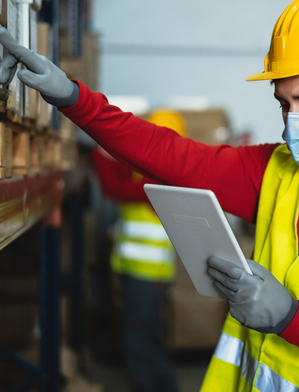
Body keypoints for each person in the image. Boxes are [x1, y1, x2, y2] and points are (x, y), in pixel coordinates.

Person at [0, 0, 299, 392]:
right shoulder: (277, 171)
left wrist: (291, 319)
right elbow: (172, 156)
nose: (294, 120)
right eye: (285, 103)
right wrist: (74, 99)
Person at [91, 109, 186, 392]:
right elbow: (124, 169)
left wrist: (97, 152)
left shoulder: (161, 181)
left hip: (148, 276)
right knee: (147, 340)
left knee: (142, 344)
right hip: (141, 274)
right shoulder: (151, 171)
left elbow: (116, 188)